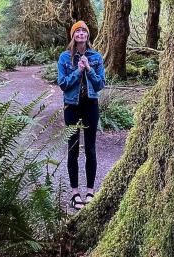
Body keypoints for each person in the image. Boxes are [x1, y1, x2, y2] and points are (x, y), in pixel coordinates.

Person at [57, 21, 106, 210]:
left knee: (91, 149)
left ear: (87, 36)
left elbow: (100, 84)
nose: (80, 33)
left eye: (83, 31)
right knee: (73, 149)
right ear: (72, 36)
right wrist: (78, 70)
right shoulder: (64, 58)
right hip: (72, 107)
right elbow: (63, 84)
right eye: (77, 31)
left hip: (90, 106)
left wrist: (89, 68)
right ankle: (75, 193)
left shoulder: (96, 56)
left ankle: (91, 192)